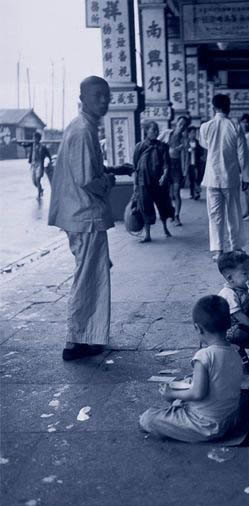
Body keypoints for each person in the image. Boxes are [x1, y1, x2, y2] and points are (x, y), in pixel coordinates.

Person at [48, 75, 132, 361]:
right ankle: (75, 341)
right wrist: (108, 180)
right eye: (98, 95)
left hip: (81, 215)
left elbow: (86, 169)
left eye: (107, 96)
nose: (104, 101)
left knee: (93, 275)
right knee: (87, 278)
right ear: (82, 98)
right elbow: (87, 179)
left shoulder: (82, 126)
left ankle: (88, 336)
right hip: (84, 215)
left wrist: (113, 169)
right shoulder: (84, 130)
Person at [139, 295, 243, 442]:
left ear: (198, 328)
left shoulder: (204, 355)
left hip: (206, 426)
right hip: (231, 419)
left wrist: (171, 393)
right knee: (188, 383)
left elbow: (198, 393)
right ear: (228, 323)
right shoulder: (235, 352)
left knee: (148, 418)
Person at [199, 94, 249, 261]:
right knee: (234, 214)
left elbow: (204, 145)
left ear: (213, 107)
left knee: (215, 215)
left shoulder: (205, 127)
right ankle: (236, 247)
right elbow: (243, 154)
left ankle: (218, 250)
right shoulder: (235, 126)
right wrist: (246, 177)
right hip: (230, 177)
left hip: (212, 177)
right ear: (228, 107)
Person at [217, 251, 249, 372]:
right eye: (245, 273)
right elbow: (238, 314)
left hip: (242, 324)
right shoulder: (228, 293)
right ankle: (244, 361)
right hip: (229, 330)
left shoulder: (242, 288)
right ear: (230, 278)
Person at [132, 120, 174, 243]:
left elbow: (166, 163)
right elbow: (136, 165)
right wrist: (135, 184)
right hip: (143, 181)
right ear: (146, 131)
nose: (156, 132)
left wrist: (165, 174)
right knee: (145, 207)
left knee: (163, 205)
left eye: (157, 130)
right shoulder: (139, 146)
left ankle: (165, 228)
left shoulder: (162, 146)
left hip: (159, 182)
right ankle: (147, 235)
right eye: (153, 130)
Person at [166, 115, 189, 226]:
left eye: (184, 125)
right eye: (180, 123)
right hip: (167, 166)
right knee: (169, 193)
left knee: (176, 192)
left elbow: (186, 157)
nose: (181, 126)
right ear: (176, 122)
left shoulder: (184, 139)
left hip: (177, 167)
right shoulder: (168, 134)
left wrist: (185, 171)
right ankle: (170, 213)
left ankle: (177, 216)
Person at [28, 132, 51, 198]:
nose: (34, 139)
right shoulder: (32, 145)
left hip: (40, 164)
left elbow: (48, 155)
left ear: (39, 139)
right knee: (34, 181)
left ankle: (39, 194)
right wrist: (17, 142)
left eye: (36, 138)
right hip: (33, 164)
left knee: (38, 179)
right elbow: (24, 145)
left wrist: (50, 161)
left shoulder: (43, 147)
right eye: (34, 138)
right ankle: (40, 189)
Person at [186, 126, 205, 200]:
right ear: (188, 133)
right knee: (191, 178)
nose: (193, 134)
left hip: (197, 163)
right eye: (192, 133)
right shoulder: (186, 142)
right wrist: (189, 150)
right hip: (189, 163)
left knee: (197, 178)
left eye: (194, 133)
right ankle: (192, 193)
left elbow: (201, 152)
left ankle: (197, 193)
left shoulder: (198, 142)